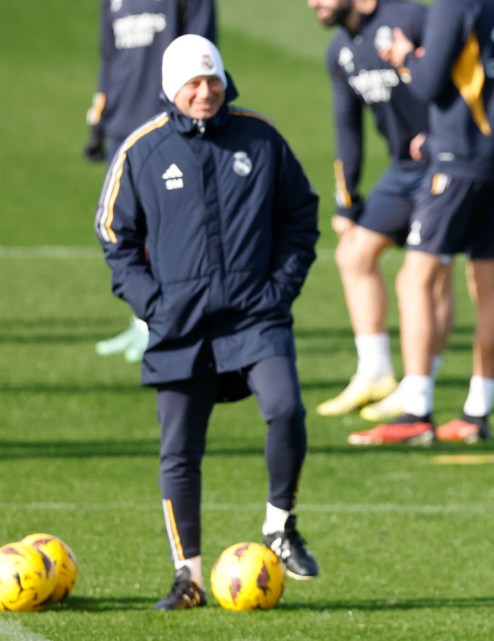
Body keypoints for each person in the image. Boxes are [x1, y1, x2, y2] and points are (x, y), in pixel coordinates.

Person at [94, 35, 321, 610]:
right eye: (192, 83)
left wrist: (279, 290)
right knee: (179, 451)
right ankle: (188, 576)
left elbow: (301, 215)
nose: (205, 92)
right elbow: (115, 235)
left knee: (286, 408)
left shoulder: (260, 135)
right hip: (181, 326)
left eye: (212, 80)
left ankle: (279, 524)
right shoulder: (140, 150)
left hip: (256, 315)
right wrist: (154, 305)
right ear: (172, 89)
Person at [349, 0, 494, 446]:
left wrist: (404, 55)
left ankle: (416, 409)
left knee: (416, 279)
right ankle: (476, 413)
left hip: (459, 160)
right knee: (488, 283)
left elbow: (428, 84)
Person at [307, 0, 456, 423]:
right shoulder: (340, 51)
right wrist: (346, 201)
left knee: (430, 274)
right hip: (402, 171)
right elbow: (347, 129)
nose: (312, 3)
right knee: (353, 254)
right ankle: (374, 372)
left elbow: (461, 69)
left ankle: (419, 383)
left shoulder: (412, 17)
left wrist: (444, 132)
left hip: (445, 164)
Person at [87, 0, 217, 364]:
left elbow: (203, 50)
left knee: (168, 231)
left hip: (165, 127)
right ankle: (142, 319)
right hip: (122, 127)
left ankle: (168, 323)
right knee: (129, 229)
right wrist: (98, 119)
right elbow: (109, 59)